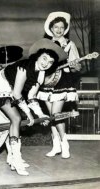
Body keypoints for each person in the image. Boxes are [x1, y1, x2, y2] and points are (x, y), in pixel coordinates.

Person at [0, 39, 68, 176]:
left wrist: (41, 115)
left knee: (12, 123)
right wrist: (29, 115)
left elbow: (31, 96)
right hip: (0, 89)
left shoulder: (41, 75)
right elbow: (17, 93)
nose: (46, 63)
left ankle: (12, 157)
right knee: (16, 119)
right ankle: (17, 159)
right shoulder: (24, 67)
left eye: (50, 62)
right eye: (44, 58)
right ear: (38, 56)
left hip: (11, 92)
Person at [37, 12, 82, 159]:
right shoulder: (45, 44)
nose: (59, 30)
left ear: (65, 29)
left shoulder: (70, 45)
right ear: (51, 28)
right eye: (56, 27)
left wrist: (73, 65)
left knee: (56, 115)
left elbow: (77, 68)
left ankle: (64, 143)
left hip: (63, 82)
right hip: (47, 82)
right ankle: (55, 145)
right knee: (52, 117)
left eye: (62, 27)